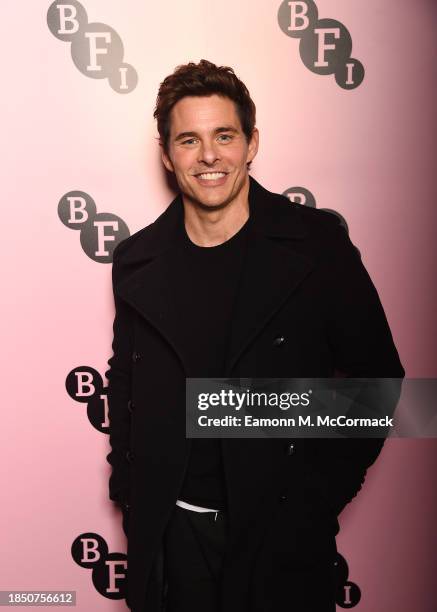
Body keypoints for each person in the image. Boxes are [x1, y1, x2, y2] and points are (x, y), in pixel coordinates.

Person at [105, 59, 405, 612]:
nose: (209, 155)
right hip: (175, 540)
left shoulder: (317, 247)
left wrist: (314, 500)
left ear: (251, 143)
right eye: (189, 140)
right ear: (168, 155)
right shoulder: (137, 260)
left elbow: (381, 382)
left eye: (224, 135)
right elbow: (126, 376)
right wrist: (130, 489)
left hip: (282, 536)